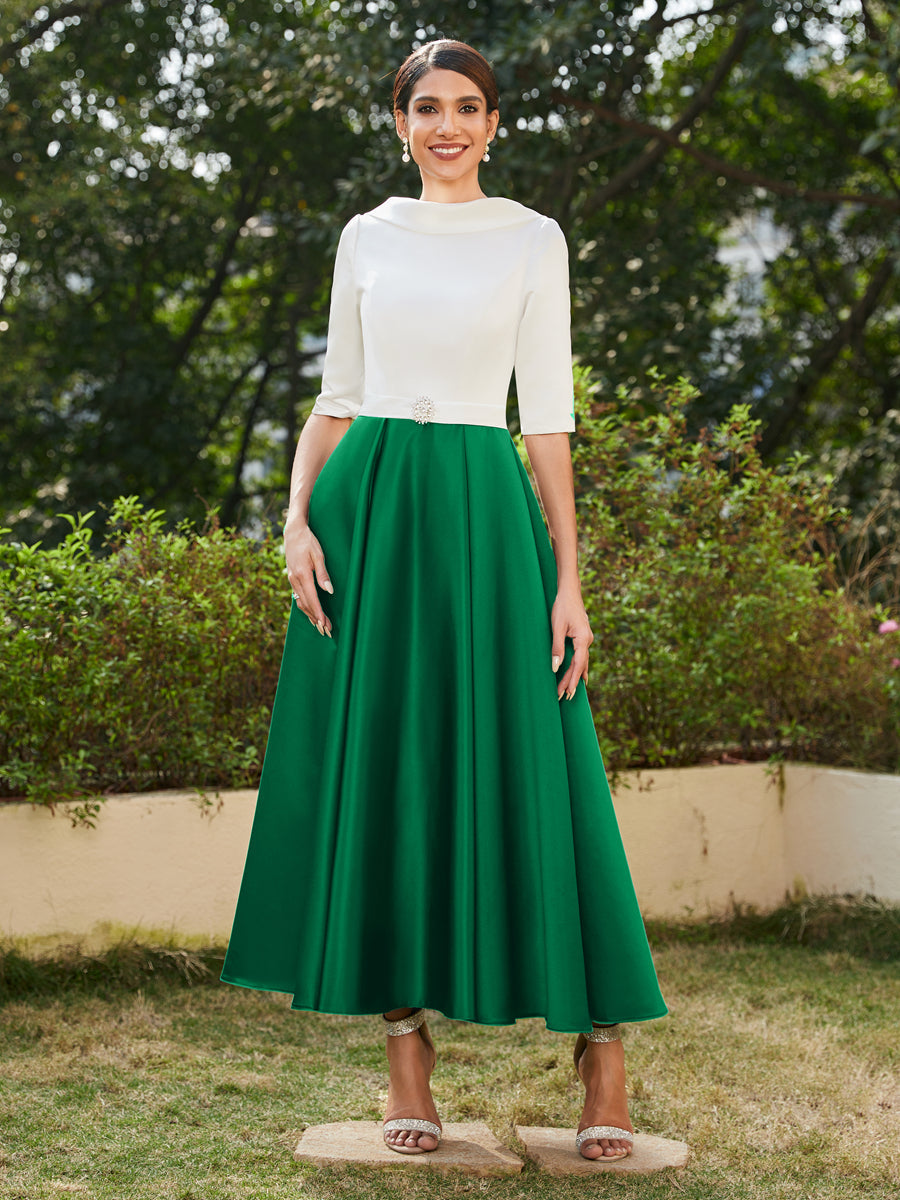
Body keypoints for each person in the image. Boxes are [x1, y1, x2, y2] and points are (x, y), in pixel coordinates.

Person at [220, 38, 667, 1163]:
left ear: (495, 124)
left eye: (468, 106)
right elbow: (336, 396)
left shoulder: (532, 237)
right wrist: (295, 520)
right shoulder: (366, 235)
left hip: (480, 510)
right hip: (369, 517)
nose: (448, 125)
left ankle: (602, 1051)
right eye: (428, 107)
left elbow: (546, 418)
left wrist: (569, 580)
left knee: (540, 752)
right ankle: (405, 1052)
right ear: (401, 123)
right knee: (390, 767)